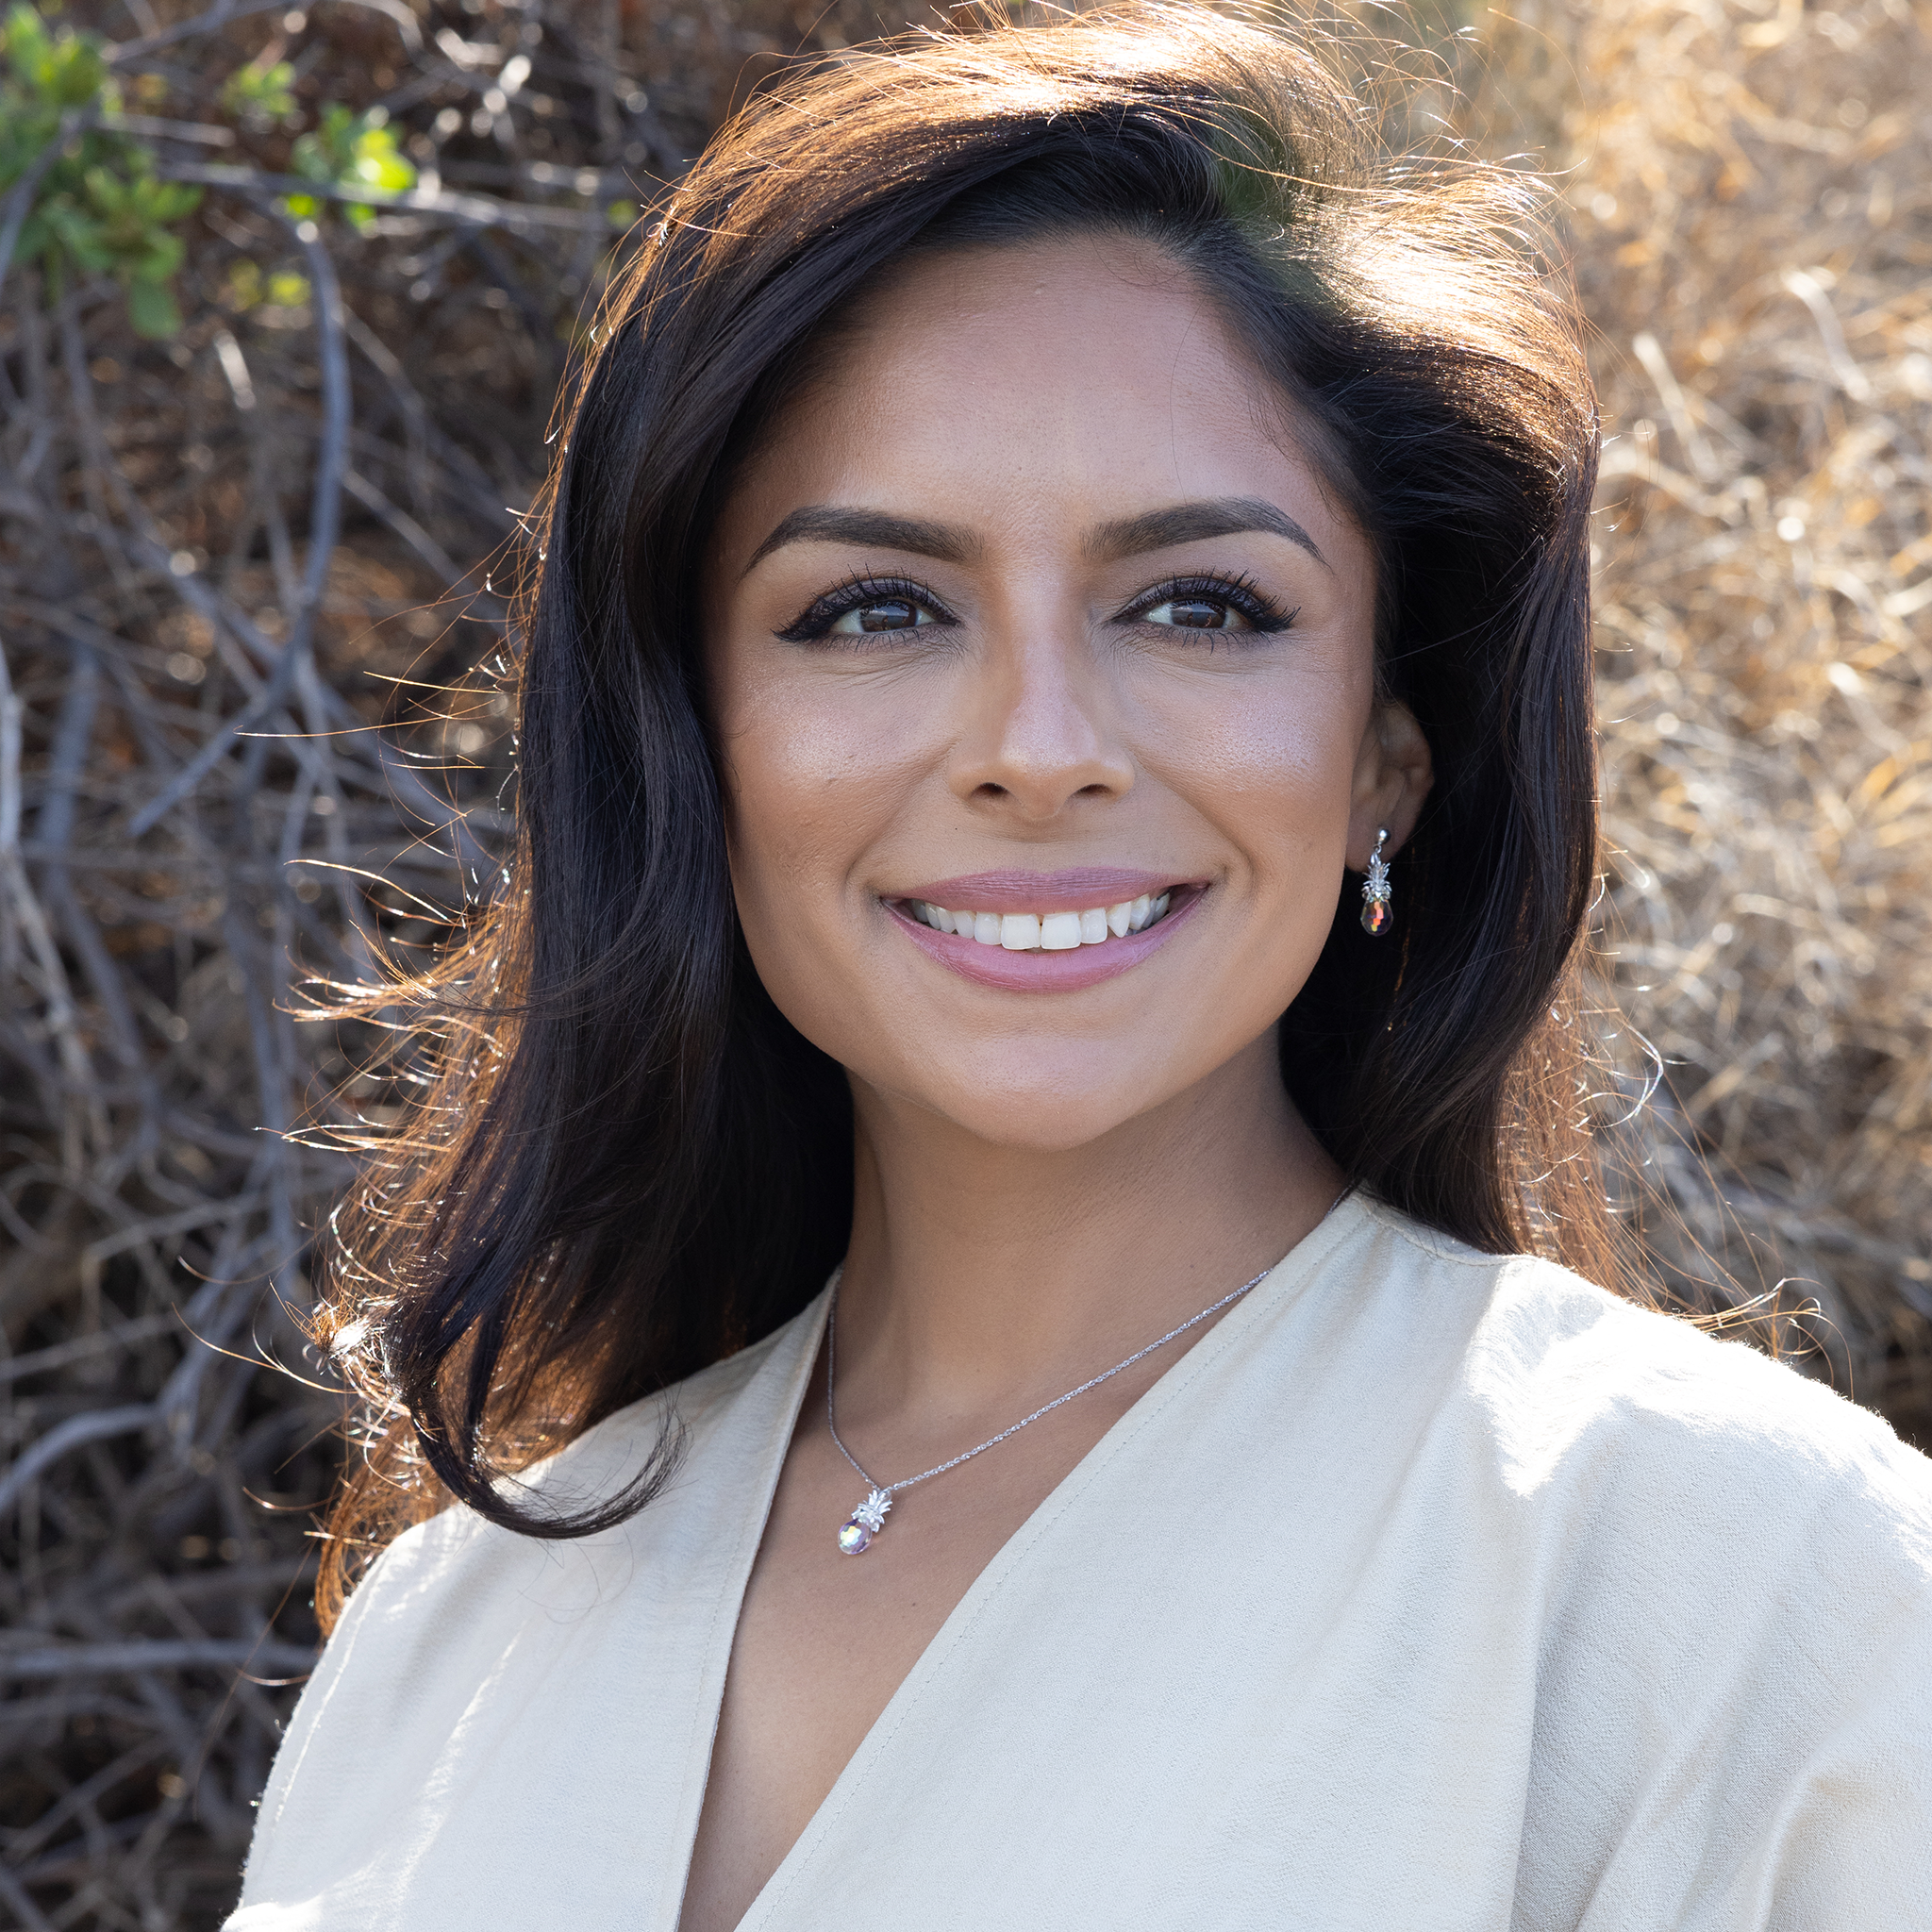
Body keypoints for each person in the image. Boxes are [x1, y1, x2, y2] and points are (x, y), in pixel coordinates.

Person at [226, 7, 1932, 1927]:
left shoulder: (1735, 1595)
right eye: (874, 608)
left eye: (1199, 604)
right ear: (694, 741)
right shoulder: (454, 1630)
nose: (1038, 742)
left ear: (1389, 746)